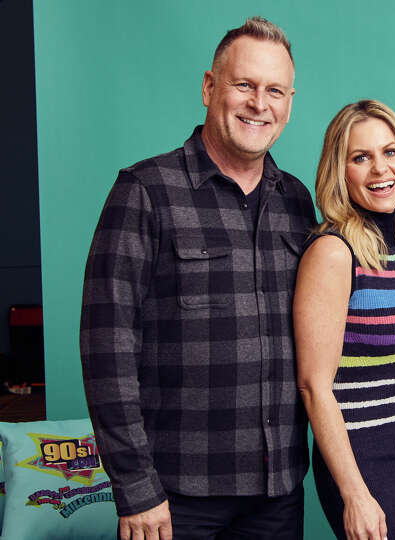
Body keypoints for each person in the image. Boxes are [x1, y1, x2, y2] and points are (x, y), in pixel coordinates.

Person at [79, 17, 315, 540]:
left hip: (278, 493)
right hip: (174, 496)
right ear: (210, 87)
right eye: (244, 85)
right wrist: (137, 488)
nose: (260, 104)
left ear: (290, 102)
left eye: (275, 90)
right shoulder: (145, 191)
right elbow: (105, 346)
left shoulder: (297, 200)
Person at [294, 100, 395, 540]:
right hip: (363, 462)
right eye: (361, 158)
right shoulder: (332, 252)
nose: (381, 168)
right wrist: (354, 493)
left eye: (390, 152)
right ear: (339, 172)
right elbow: (313, 385)